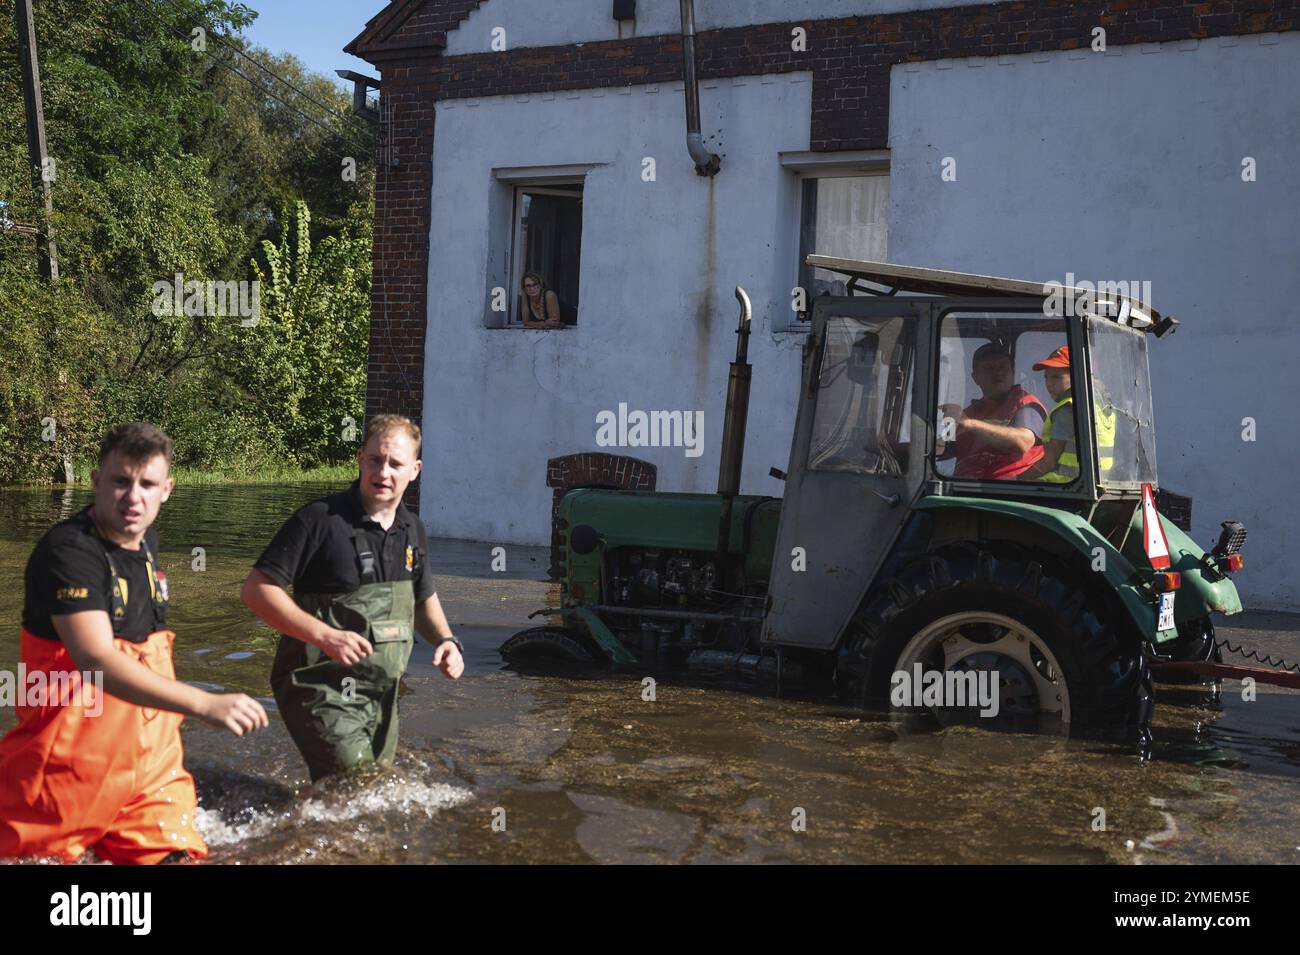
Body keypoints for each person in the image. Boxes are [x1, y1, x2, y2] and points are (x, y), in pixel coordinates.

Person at [0, 423, 268, 865]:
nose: (133, 497)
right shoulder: (68, 552)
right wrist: (204, 704)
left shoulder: (147, 545)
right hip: (67, 770)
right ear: (96, 481)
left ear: (167, 489)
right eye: (121, 481)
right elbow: (96, 660)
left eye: (147, 484)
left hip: (150, 772)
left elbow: (147, 654)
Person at [240, 414, 464, 782]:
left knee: (369, 794)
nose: (384, 472)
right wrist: (325, 636)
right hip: (318, 686)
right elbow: (256, 591)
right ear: (360, 458)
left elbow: (423, 598)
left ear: (415, 470)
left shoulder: (413, 529)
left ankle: (296, 833)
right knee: (355, 782)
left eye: (395, 464)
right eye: (375, 460)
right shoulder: (319, 521)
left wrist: (446, 641)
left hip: (382, 694)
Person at [941, 343, 1047, 480]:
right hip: (964, 486)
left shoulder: (1025, 403)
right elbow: (945, 449)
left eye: (1003, 367)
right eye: (989, 368)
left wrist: (970, 423)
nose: (998, 373)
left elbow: (1022, 441)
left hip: (1008, 489)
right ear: (975, 378)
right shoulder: (970, 412)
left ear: (1012, 372)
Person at [1021, 346, 1116, 483]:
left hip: (1064, 485)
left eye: (1056, 377)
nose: (1049, 384)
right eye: (1046, 377)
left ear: (1077, 376)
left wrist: (1017, 479)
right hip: (1093, 483)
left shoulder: (1068, 408)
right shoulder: (1100, 404)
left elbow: (1049, 462)